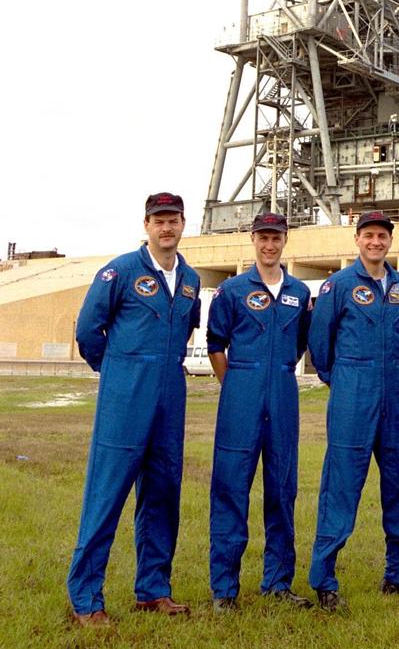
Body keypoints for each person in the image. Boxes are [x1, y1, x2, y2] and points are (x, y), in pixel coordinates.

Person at [67, 192, 201, 626]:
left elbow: (185, 328)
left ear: (183, 224)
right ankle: (86, 597)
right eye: (158, 220)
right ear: (146, 225)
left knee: (163, 493)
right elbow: (88, 329)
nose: (166, 228)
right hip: (125, 395)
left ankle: (153, 590)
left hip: (169, 396)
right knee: (107, 494)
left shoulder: (191, 280)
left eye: (173, 220)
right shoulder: (120, 271)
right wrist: (117, 371)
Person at [307, 210, 399, 609]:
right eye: (369, 235)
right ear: (357, 240)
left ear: (390, 241)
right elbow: (320, 345)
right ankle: (324, 579)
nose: (376, 242)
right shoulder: (337, 285)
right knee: (342, 482)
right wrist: (341, 380)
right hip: (352, 387)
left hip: (393, 387)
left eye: (382, 236)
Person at [207, 212, 312, 612]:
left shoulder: (299, 293)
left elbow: (300, 342)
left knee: (283, 490)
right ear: (253, 240)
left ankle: (278, 582)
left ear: (285, 241)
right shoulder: (232, 291)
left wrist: (275, 374)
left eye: (276, 238)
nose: (270, 245)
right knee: (231, 489)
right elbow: (216, 344)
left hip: (283, 393)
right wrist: (235, 386)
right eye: (263, 238)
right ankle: (224, 588)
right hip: (241, 394)